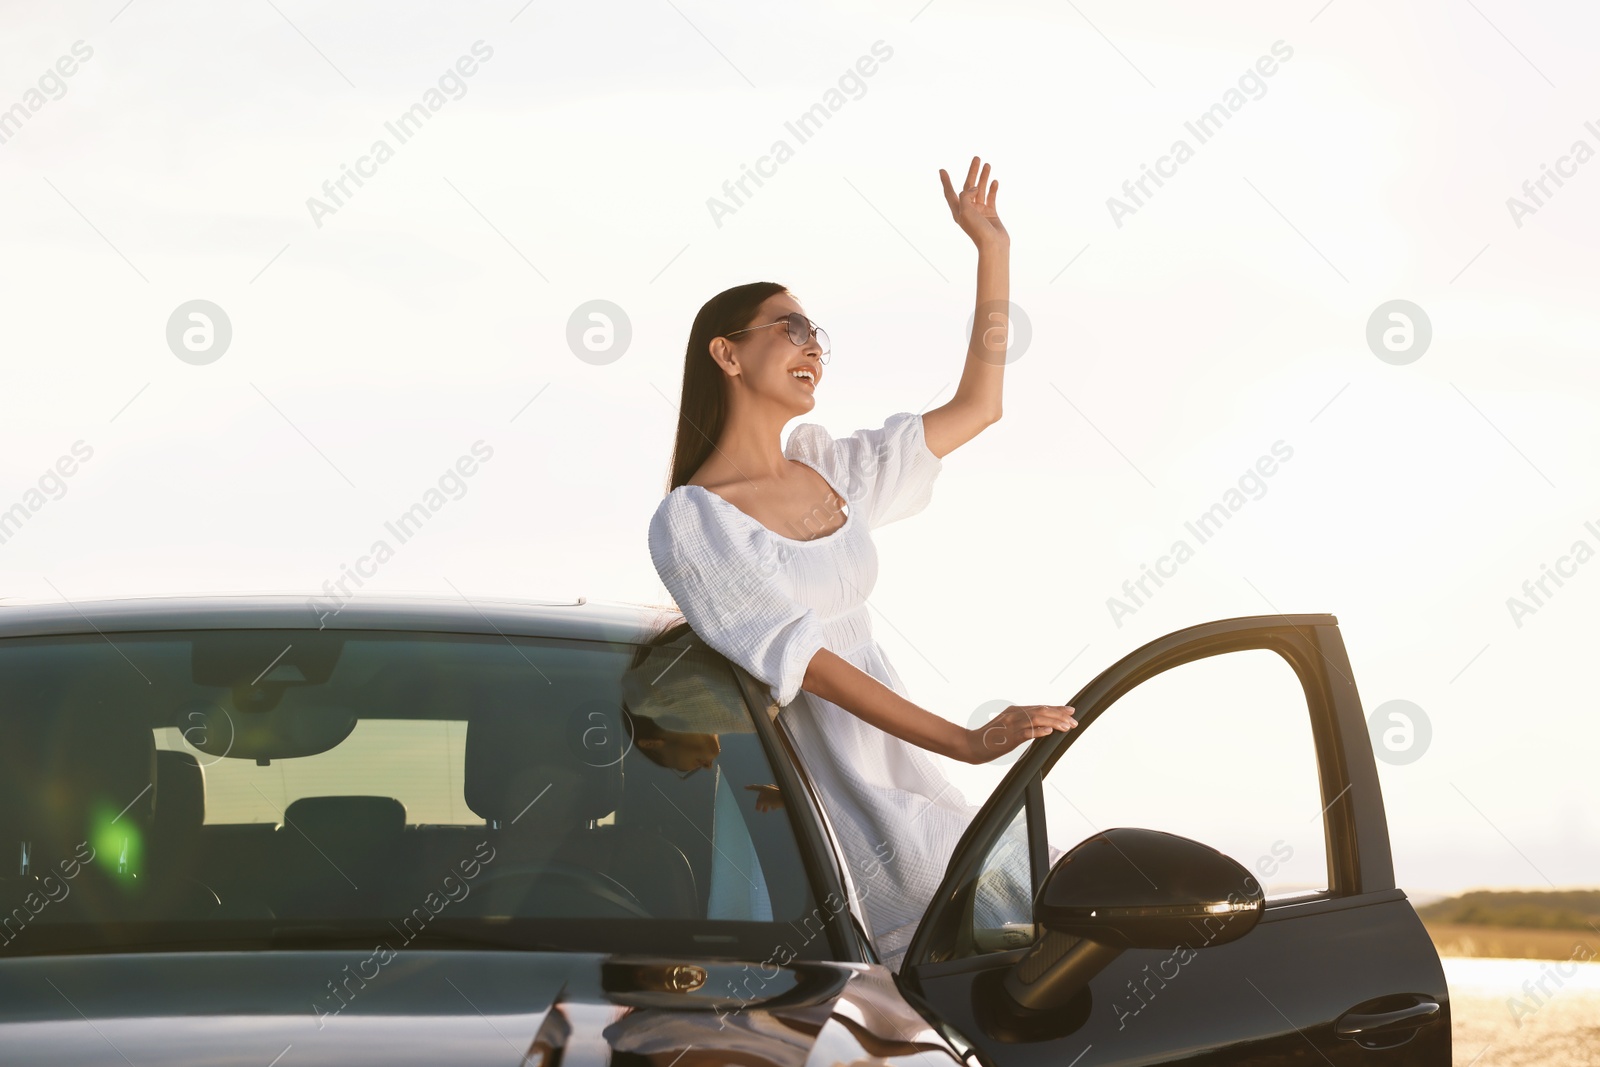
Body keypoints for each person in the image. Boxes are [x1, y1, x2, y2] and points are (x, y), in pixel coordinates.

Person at [645, 157, 1076, 971]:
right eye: (791, 328)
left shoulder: (830, 469)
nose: (814, 347)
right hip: (821, 794)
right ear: (727, 354)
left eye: (820, 336)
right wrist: (965, 739)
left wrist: (993, 251)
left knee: (1027, 939)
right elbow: (803, 658)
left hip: (903, 763)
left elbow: (980, 406)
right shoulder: (693, 521)